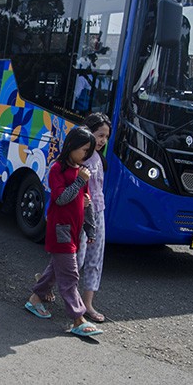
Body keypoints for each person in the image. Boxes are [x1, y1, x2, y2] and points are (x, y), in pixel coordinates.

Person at [25, 125, 102, 337]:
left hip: (76, 231)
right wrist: (80, 182)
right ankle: (78, 318)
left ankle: (35, 298)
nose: (86, 155)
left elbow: (87, 204)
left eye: (90, 151)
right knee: (69, 272)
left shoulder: (81, 172)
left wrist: (91, 229)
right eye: (84, 150)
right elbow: (60, 198)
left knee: (55, 269)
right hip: (60, 229)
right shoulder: (58, 169)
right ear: (72, 146)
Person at [76, 112, 112, 323]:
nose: (102, 141)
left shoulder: (98, 158)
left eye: (106, 137)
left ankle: (87, 303)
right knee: (75, 259)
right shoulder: (79, 156)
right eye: (100, 135)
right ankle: (46, 286)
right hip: (81, 213)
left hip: (98, 212)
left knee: (94, 259)